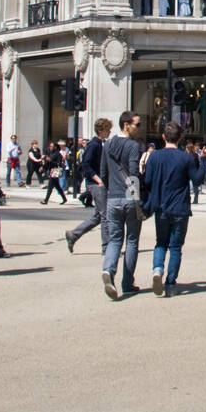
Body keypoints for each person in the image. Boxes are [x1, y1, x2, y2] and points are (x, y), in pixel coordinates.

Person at [143, 122, 206, 295]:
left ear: (163, 137)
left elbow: (148, 181)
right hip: (180, 206)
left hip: (161, 206)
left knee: (161, 243)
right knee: (175, 247)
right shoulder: (185, 158)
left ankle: (157, 269)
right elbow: (197, 180)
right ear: (180, 138)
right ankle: (170, 283)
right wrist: (203, 161)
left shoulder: (155, 156)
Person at [100, 111, 145, 300]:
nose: (139, 128)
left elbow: (103, 172)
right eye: (137, 124)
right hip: (129, 197)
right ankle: (127, 283)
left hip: (112, 197)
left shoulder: (108, 144)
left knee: (115, 240)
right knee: (132, 240)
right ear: (126, 125)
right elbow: (134, 173)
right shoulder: (133, 146)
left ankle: (108, 270)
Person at [65, 118, 113, 253]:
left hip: (97, 183)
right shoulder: (94, 145)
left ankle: (73, 234)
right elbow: (85, 164)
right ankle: (106, 247)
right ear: (101, 130)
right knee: (105, 216)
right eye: (107, 129)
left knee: (98, 216)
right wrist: (98, 180)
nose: (109, 132)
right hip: (96, 184)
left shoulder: (99, 144)